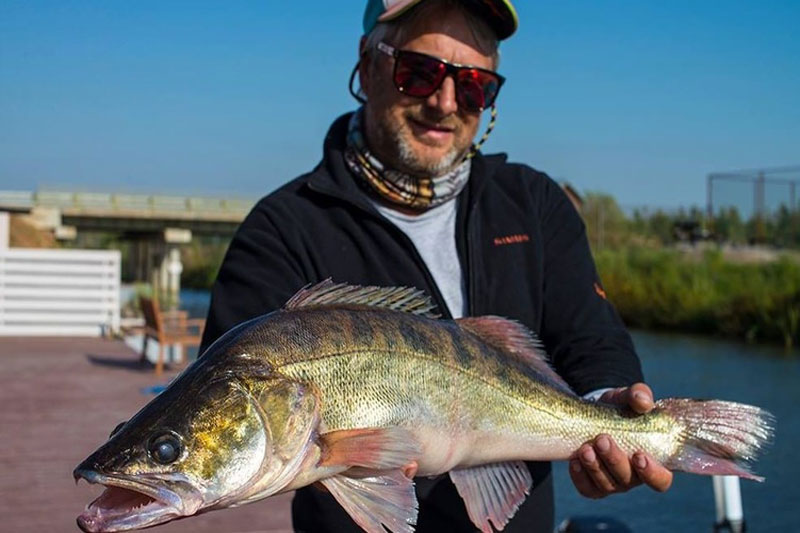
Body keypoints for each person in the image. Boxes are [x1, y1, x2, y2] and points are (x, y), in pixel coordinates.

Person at [200, 1, 673, 531]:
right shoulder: (282, 229)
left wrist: (607, 407)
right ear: (368, 61)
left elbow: (591, 340)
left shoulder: (534, 203)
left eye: (474, 85)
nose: (445, 102)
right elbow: (228, 416)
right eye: (419, 73)